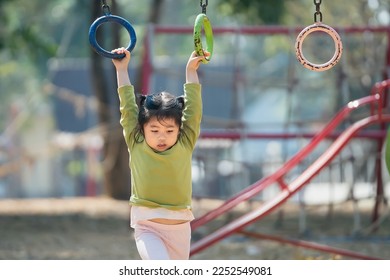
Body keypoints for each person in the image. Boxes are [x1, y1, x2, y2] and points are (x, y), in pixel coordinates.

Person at [111, 47, 207, 260]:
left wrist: (191, 71)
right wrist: (121, 69)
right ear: (142, 128)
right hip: (147, 227)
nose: (161, 136)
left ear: (179, 130)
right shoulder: (136, 142)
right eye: (154, 130)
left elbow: (194, 112)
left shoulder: (185, 141)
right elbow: (127, 108)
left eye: (169, 130)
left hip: (180, 227)